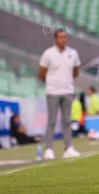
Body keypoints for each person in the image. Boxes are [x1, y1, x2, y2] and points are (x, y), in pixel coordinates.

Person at [38, 28, 81, 159]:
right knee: (51, 121)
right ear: (55, 39)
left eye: (65, 37)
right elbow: (41, 73)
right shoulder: (48, 53)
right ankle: (48, 149)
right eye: (61, 37)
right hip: (53, 92)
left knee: (67, 121)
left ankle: (68, 148)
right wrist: (52, 83)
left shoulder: (73, 53)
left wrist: (66, 81)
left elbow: (76, 71)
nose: (64, 39)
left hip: (68, 91)